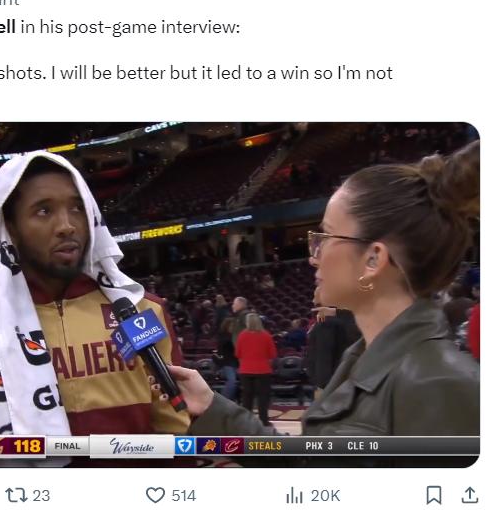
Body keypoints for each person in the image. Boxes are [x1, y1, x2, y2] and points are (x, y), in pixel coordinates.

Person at [151, 141, 480, 436]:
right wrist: (213, 408)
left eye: (325, 236)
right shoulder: (361, 356)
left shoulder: (440, 385)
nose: (313, 255)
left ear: (373, 259)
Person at [0, 153, 188, 442]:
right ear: (11, 228)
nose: (67, 226)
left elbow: (177, 432)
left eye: (77, 208)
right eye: (44, 211)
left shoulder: (144, 311)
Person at [307, 287, 361, 396]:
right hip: (341, 380)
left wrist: (322, 385)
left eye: (315, 297)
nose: (313, 301)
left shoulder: (327, 323)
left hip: (329, 385)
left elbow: (324, 356)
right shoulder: (343, 321)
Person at [235, 313, 278, 425]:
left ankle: (247, 422)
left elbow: (238, 354)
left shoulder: (242, 335)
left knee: (247, 397)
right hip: (263, 370)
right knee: (263, 397)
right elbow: (273, 354)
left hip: (246, 370)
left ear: (247, 323)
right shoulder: (266, 335)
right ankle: (264, 421)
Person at [213, 317, 238, 401]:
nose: (234, 327)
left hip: (236, 364)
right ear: (227, 326)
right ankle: (223, 401)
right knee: (232, 380)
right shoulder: (224, 338)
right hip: (226, 364)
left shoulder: (235, 337)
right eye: (232, 326)